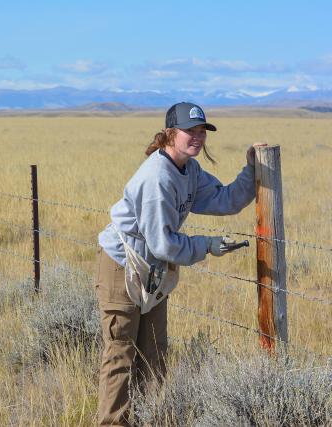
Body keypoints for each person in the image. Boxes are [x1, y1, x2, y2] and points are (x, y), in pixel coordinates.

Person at [95, 102, 264, 426]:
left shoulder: (190, 170)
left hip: (153, 267)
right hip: (122, 264)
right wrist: (207, 245)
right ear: (170, 134)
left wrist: (251, 170)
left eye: (202, 131)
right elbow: (164, 243)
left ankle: (150, 419)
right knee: (121, 353)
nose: (198, 137)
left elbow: (225, 200)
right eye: (190, 130)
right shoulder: (157, 179)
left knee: (154, 353)